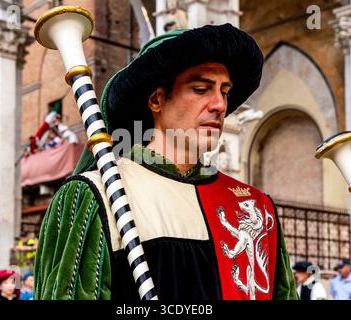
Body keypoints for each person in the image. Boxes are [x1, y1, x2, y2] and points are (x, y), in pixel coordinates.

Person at [34, 24, 297, 300]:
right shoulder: (96, 195)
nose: (220, 104)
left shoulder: (256, 206)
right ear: (157, 99)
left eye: (225, 91)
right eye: (200, 89)